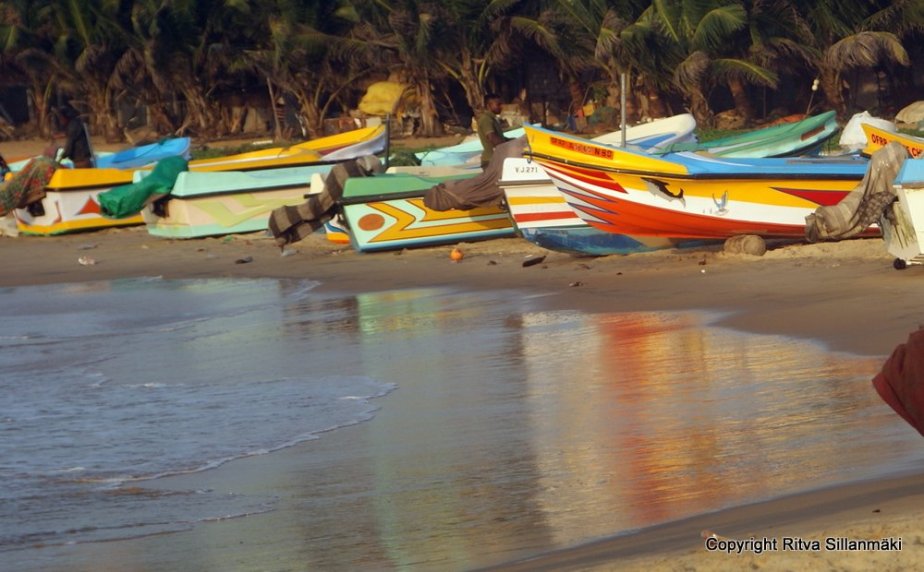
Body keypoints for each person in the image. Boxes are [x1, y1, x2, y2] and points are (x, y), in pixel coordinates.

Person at [476, 93, 510, 170]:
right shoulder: (486, 119)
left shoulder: (492, 119)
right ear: (488, 106)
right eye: (498, 104)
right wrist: (508, 146)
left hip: (496, 158)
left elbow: (499, 137)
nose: (501, 107)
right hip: (491, 160)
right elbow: (492, 137)